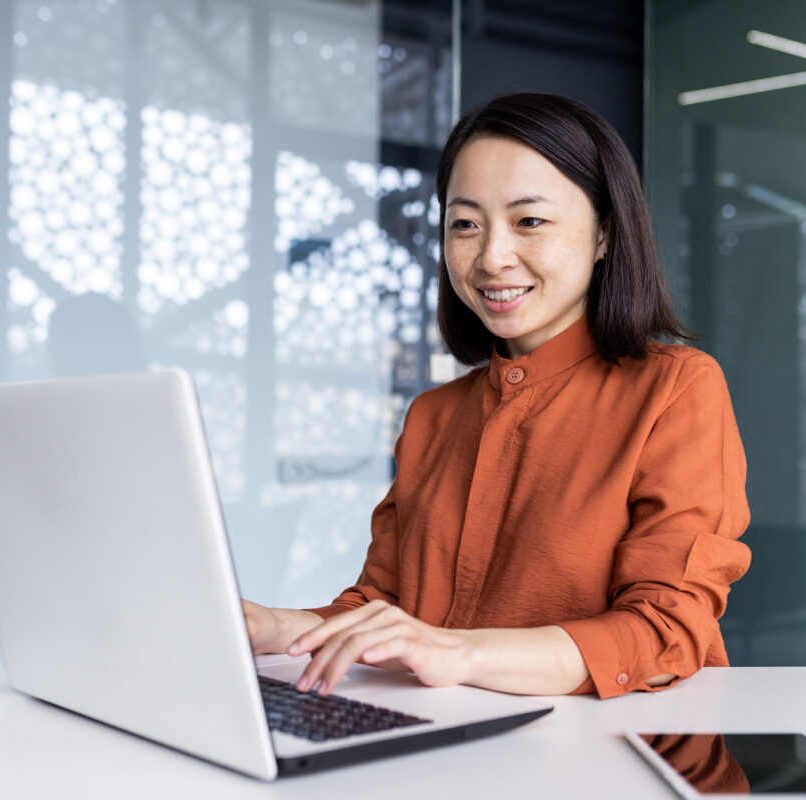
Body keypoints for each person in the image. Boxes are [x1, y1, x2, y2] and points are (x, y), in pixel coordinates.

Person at [244, 92, 750, 699]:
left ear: (604, 234)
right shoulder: (433, 416)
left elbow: (665, 633)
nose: (491, 257)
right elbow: (386, 608)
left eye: (529, 221)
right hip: (444, 745)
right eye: (465, 224)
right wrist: (272, 627)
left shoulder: (676, 389)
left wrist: (456, 651)